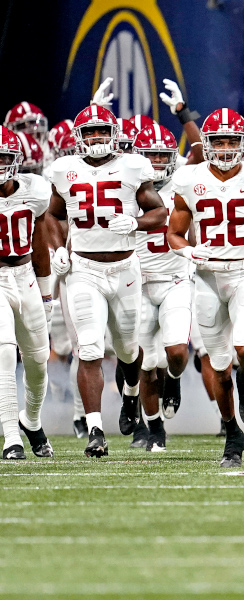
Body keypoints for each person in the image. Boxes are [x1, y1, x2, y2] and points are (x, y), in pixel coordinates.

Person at [167, 108, 244, 467]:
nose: (224, 148)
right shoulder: (190, 179)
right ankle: (231, 431)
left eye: (230, 141)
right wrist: (190, 250)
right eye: (217, 141)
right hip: (206, 278)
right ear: (205, 145)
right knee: (220, 367)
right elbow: (173, 232)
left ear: (243, 145)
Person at [48, 104, 167, 457]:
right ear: (79, 138)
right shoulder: (65, 170)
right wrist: (58, 248)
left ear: (114, 136)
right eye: (90, 132)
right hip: (84, 270)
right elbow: (53, 216)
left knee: (129, 349)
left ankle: (130, 396)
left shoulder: (132, 166)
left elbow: (159, 212)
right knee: (89, 348)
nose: (97, 138)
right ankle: (96, 429)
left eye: (102, 131)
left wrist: (135, 223)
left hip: (126, 269)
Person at [132, 123, 192, 452]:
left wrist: (185, 115)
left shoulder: (184, 183)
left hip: (175, 280)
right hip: (138, 284)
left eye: (161, 155)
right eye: (150, 155)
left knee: (177, 353)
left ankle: (176, 380)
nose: (156, 162)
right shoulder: (126, 188)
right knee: (144, 362)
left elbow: (201, 154)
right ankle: (155, 428)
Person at [0, 126, 54, 460]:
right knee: (4, 354)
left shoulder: (35, 191)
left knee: (37, 362)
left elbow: (40, 241)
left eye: (4, 157)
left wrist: (47, 292)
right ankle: (10, 437)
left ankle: (30, 421)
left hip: (25, 276)